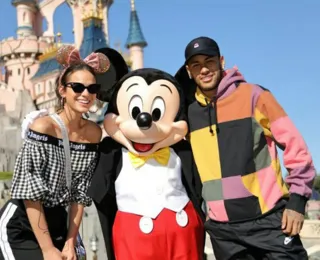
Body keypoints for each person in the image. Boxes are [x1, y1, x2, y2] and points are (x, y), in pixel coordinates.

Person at [175, 36, 316, 260]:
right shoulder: (188, 113)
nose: (204, 70)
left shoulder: (254, 96)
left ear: (221, 61)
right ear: (189, 71)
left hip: (269, 220)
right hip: (223, 232)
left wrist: (297, 202)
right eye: (196, 65)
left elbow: (296, 148)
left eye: (209, 61)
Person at [0, 45, 110, 260]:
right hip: (22, 223)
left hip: (59, 222)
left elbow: (80, 192)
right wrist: (48, 249)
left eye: (91, 88)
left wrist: (70, 241)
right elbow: (30, 194)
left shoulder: (94, 133)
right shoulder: (43, 127)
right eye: (77, 87)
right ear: (62, 90)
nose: (85, 94)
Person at [87, 65, 206, 260]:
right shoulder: (112, 154)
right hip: (135, 239)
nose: (144, 120)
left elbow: (199, 187)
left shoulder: (182, 152)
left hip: (184, 233)